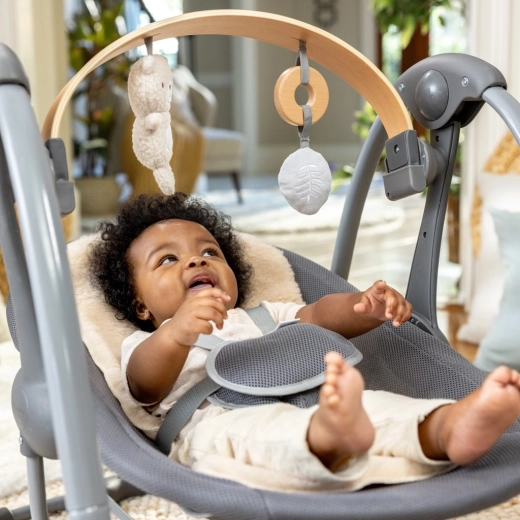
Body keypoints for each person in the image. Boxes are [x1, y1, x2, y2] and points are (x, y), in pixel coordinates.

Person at [90, 193, 520, 492]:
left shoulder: (261, 316)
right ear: (140, 305)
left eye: (210, 252)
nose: (195, 260)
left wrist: (363, 306)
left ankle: (447, 427)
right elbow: (144, 387)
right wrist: (177, 333)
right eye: (168, 259)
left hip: (316, 405)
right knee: (258, 439)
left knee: (381, 408)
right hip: (217, 425)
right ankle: (328, 437)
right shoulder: (149, 341)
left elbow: (319, 315)